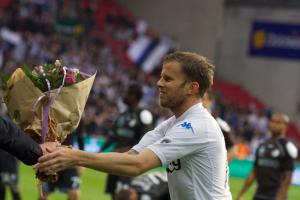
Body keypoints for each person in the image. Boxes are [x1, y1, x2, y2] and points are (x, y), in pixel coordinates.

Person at [37, 51, 232, 200]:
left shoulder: (197, 126)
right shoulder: (174, 124)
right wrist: (62, 152)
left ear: (192, 87)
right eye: (161, 76)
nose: (159, 83)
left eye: (168, 79)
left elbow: (138, 165)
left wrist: (74, 157)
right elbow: (131, 157)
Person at [101, 81, 154, 197]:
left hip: (129, 162)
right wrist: (99, 152)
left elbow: (145, 141)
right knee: (113, 193)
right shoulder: (122, 115)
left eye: (126, 93)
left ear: (134, 96)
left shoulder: (144, 115)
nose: (123, 95)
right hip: (115, 160)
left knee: (124, 194)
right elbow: (112, 137)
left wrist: (125, 151)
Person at [236, 113, 298, 200]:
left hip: (275, 196)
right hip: (259, 195)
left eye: (278, 122)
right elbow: (254, 172)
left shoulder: (287, 147)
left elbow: (288, 177)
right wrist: (241, 193)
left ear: (285, 126)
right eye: (272, 121)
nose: (274, 124)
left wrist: (280, 197)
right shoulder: (262, 146)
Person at [202, 89, 236, 162]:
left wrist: (220, 167)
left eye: (203, 99)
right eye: (198, 99)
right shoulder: (188, 121)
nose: (200, 102)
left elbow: (233, 150)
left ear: (211, 101)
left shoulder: (220, 124)